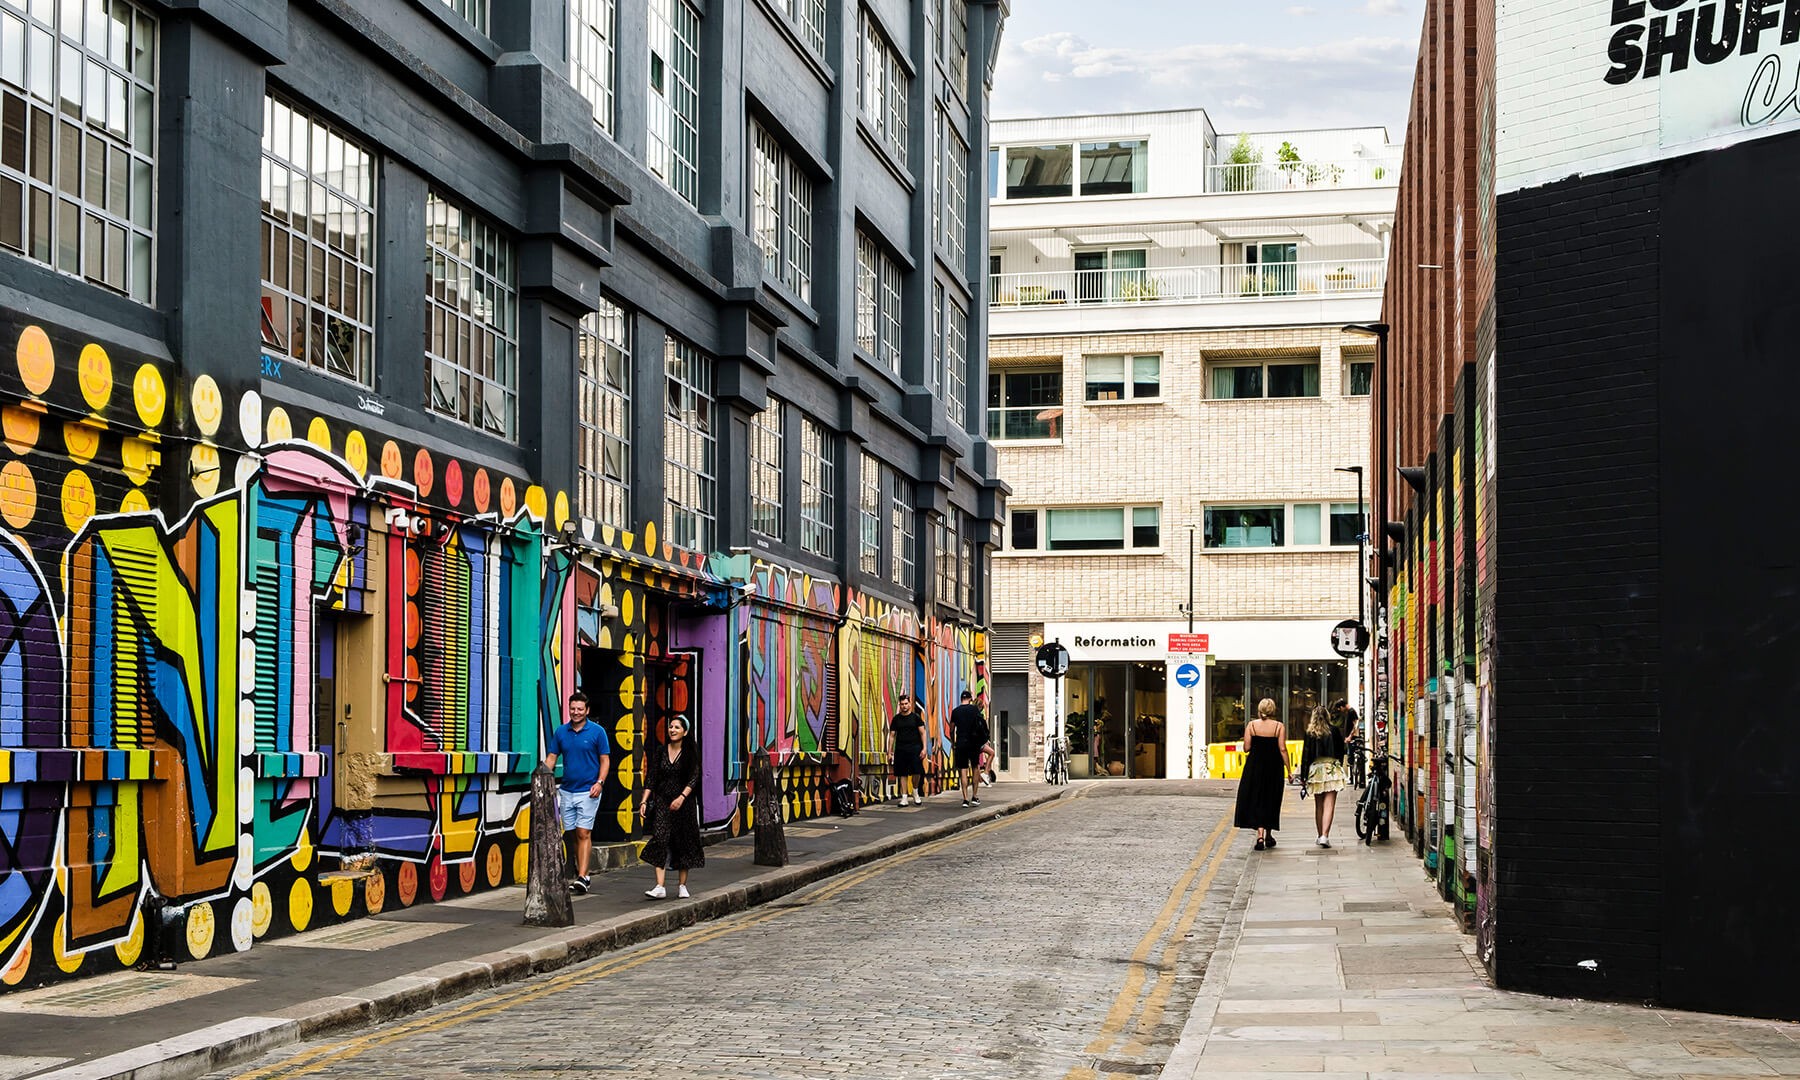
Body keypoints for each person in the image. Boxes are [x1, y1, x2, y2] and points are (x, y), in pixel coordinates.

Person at [544, 690, 611, 895]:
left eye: (580, 709)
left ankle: (583, 876)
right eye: (572, 709)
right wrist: (542, 777)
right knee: (572, 833)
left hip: (589, 791)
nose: (576, 712)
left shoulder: (597, 732)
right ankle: (581, 872)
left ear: (587, 710)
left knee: (584, 832)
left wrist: (600, 783)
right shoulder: (561, 732)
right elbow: (552, 758)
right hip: (566, 791)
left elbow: (605, 760)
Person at [639, 714, 704, 899]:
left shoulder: (690, 752)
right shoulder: (660, 751)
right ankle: (660, 886)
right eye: (670, 727)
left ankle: (682, 885)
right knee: (660, 838)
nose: (672, 730)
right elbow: (651, 776)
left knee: (683, 841)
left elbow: (694, 776)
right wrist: (644, 801)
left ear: (685, 731)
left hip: (685, 803)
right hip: (663, 802)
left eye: (677, 727)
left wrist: (682, 797)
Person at [1232, 698, 1290, 850]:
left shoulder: (1252, 725)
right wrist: (1289, 770)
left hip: (1255, 767)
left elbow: (1246, 748)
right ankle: (1269, 835)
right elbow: (1282, 749)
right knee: (1271, 798)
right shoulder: (1279, 727)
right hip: (1274, 767)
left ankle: (1260, 836)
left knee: (1257, 798)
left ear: (1259, 710)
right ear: (1273, 710)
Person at [1300, 704, 1349, 848]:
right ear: (1327, 716)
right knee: (1330, 805)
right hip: (1331, 768)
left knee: (1318, 805)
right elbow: (1341, 751)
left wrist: (1304, 776)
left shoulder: (1310, 733)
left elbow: (1306, 756)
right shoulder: (1334, 731)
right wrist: (1338, 765)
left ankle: (1319, 834)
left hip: (1316, 769)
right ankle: (1325, 836)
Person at [948, 690, 989, 808]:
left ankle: (965, 799)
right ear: (970, 698)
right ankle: (974, 797)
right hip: (974, 743)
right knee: (975, 768)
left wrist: (953, 742)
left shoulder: (955, 712)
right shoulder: (974, 710)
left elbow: (951, 729)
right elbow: (981, 724)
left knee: (963, 771)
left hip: (961, 743)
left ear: (961, 699)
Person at [888, 693, 928, 806]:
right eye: (902, 704)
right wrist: (889, 752)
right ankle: (904, 797)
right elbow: (892, 735)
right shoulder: (896, 719)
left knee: (917, 771)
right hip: (901, 749)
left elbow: (923, 733)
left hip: (915, 749)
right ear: (899, 705)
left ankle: (915, 791)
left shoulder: (916, 718)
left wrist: (924, 748)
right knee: (902, 773)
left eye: (906, 704)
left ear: (910, 704)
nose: (904, 706)